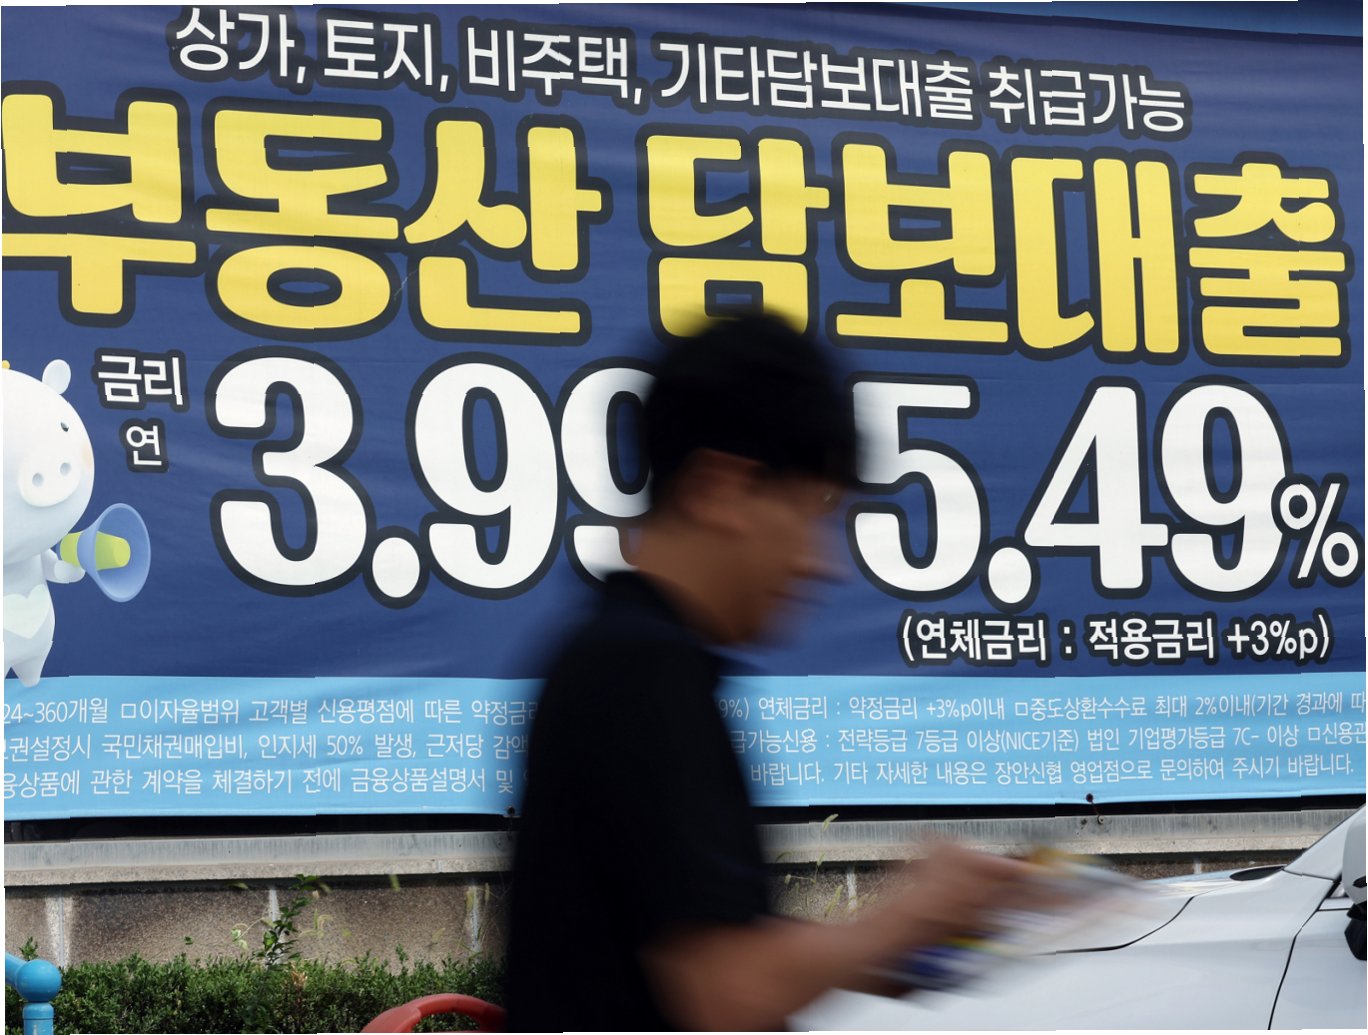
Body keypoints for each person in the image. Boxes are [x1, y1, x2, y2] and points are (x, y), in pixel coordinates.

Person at [505, 314, 1037, 1032]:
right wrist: (915, 911)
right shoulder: (639, 673)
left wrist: (931, 934)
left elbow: (690, 948)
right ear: (720, 491)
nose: (821, 564)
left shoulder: (627, 655)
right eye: (812, 513)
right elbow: (730, 990)